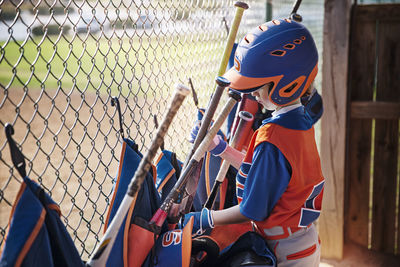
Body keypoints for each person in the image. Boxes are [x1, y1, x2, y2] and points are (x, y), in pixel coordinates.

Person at [183, 18, 325, 267]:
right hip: (300, 242)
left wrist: (204, 218)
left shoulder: (272, 137)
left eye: (257, 86)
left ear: (287, 84)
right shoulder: (298, 122)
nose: (251, 94)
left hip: (284, 251)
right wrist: (221, 149)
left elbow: (252, 210)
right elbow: (263, 174)